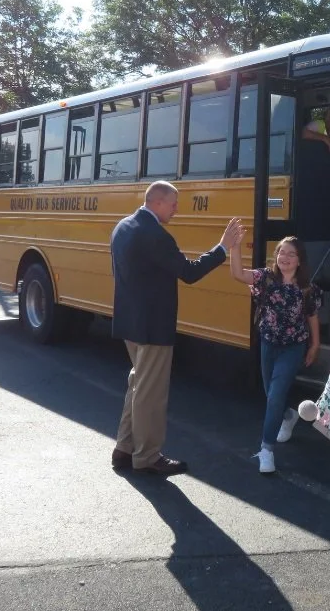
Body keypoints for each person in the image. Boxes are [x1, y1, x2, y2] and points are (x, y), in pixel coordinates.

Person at [110, 180, 242, 476]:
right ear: (157, 202)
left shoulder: (123, 227)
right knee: (151, 394)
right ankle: (147, 457)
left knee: (138, 384)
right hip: (153, 326)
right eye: (173, 203)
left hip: (130, 322)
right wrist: (222, 247)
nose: (176, 209)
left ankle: (125, 447)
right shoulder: (155, 235)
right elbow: (189, 272)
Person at [229, 234, 321, 474]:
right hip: (268, 344)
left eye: (292, 254)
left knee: (275, 395)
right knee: (271, 394)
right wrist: (235, 247)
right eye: (282, 253)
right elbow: (238, 274)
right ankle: (289, 415)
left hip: (293, 347)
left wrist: (314, 345)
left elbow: (311, 316)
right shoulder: (266, 278)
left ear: (300, 260)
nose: (285, 258)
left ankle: (266, 450)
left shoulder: (307, 288)